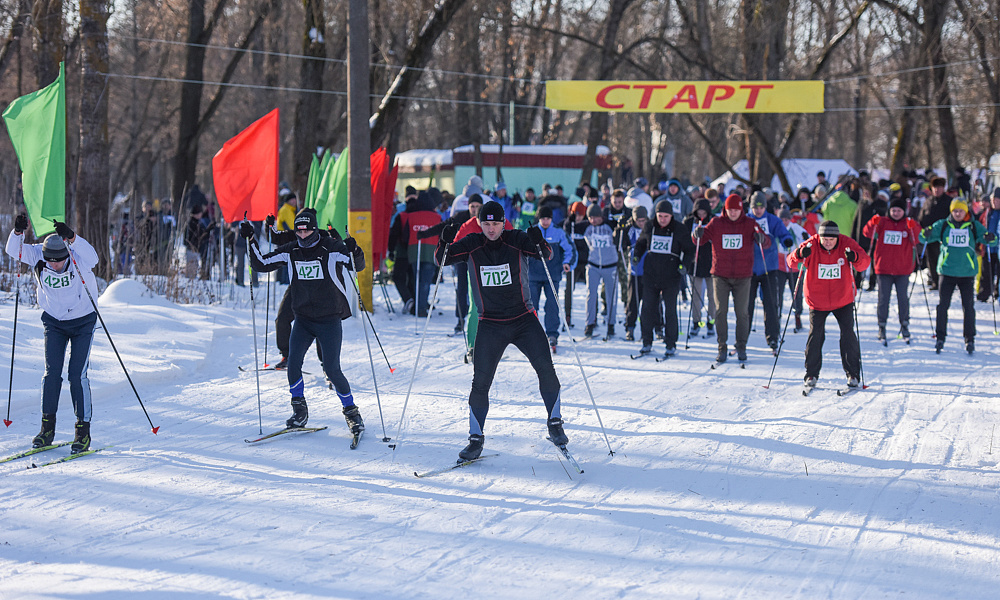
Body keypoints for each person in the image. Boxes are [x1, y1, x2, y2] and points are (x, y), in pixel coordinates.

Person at [435, 200, 566, 461]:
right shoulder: (473, 243)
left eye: (496, 223)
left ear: (504, 222)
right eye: (486, 223)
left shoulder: (516, 238)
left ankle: (555, 423)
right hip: (490, 324)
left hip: (523, 320)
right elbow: (442, 260)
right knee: (480, 382)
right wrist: (444, 241)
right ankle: (475, 439)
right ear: (480, 223)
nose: (491, 229)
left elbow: (546, 255)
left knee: (546, 368)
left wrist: (539, 241)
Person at [244, 209, 367, 436]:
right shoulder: (291, 250)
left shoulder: (330, 248)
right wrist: (250, 239)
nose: (302, 235)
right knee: (293, 364)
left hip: (329, 319)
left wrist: (354, 249)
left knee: (332, 369)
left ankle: (352, 413)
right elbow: (261, 263)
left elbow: (357, 265)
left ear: (314, 228)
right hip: (303, 319)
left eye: (306, 229)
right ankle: (299, 411)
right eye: (298, 230)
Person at [7, 216, 99, 453]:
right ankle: (46, 430)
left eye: (59, 261)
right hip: (54, 322)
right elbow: (13, 251)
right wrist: (18, 232)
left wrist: (73, 237)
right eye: (51, 261)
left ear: (67, 255)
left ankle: (83, 432)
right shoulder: (39, 254)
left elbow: (94, 258)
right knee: (51, 374)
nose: (55, 265)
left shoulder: (76, 254)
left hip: (82, 321)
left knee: (77, 375)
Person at [787, 221, 870, 389]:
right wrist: (800, 253)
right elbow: (791, 262)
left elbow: (865, 263)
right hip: (817, 300)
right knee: (816, 335)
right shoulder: (812, 243)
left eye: (831, 239)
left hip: (843, 298)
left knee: (848, 335)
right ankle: (811, 374)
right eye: (824, 239)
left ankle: (853, 374)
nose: (828, 243)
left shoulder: (846, 243)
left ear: (837, 238)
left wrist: (854, 258)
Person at [693, 194, 770, 364]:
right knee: (720, 312)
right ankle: (722, 347)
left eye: (736, 210)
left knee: (742, 313)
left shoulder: (750, 224)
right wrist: (697, 233)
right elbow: (700, 239)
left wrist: (761, 239)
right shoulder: (717, 223)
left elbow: (767, 241)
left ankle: (741, 346)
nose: (733, 213)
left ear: (741, 209)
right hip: (720, 274)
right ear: (725, 209)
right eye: (730, 210)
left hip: (743, 276)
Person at [919, 198, 997, 353]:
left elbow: (992, 241)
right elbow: (923, 237)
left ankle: (970, 338)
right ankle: (940, 336)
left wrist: (991, 237)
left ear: (966, 211)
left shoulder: (974, 226)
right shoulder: (943, 225)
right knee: (943, 306)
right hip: (947, 272)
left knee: (968, 307)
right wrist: (925, 232)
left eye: (961, 210)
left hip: (966, 273)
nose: (958, 213)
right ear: (951, 211)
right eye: (955, 211)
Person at [633, 200, 694, 355]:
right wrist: (636, 256)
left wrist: (684, 265)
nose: (663, 219)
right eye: (660, 216)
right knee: (647, 309)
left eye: (666, 216)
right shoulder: (649, 226)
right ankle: (647, 341)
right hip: (651, 275)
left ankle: (671, 343)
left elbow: (689, 250)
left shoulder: (679, 229)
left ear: (671, 216)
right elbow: (640, 244)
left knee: (670, 311)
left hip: (671, 276)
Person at [419, 193, 485, 334]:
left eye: (477, 206)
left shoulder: (485, 218)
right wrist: (426, 234)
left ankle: (484, 321)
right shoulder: (461, 217)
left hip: (480, 259)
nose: (474, 209)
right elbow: (443, 226)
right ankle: (460, 320)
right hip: (462, 258)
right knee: (462, 288)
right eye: (472, 206)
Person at [862, 197, 921, 343]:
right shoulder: (883, 222)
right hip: (884, 269)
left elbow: (918, 239)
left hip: (903, 269)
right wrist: (872, 222)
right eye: (893, 210)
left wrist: (913, 226)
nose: (896, 213)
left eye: (899, 210)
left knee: (903, 299)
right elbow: (867, 233)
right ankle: (881, 326)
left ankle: (904, 324)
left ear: (904, 211)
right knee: (883, 299)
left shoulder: (907, 224)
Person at [747, 192, 793, 353]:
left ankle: (773, 337)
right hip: (749, 269)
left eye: (760, 207)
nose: (758, 210)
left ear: (765, 207)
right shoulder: (746, 219)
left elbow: (783, 232)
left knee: (771, 303)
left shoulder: (773, 220)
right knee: (747, 304)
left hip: (770, 267)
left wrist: (787, 239)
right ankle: (742, 337)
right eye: (755, 207)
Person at [527, 205, 575, 351]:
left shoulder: (559, 233)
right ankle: (531, 334)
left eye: (547, 218)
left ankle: (552, 334)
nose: (545, 221)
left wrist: (567, 263)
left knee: (552, 306)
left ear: (551, 219)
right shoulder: (531, 232)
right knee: (531, 306)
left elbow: (570, 250)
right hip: (533, 276)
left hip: (552, 275)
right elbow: (520, 252)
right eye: (542, 218)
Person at [583, 203, 620, 339]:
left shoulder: (609, 227)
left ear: (601, 217)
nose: (593, 220)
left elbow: (619, 232)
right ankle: (590, 323)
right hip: (593, 265)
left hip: (610, 265)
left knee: (611, 296)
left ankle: (611, 324)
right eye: (591, 218)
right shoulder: (587, 229)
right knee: (591, 295)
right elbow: (570, 226)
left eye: (596, 217)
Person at [683, 199, 715, 337]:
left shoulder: (714, 221)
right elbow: (684, 241)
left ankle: (711, 322)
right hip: (694, 263)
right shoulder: (689, 222)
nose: (701, 214)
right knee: (696, 296)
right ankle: (696, 322)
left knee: (712, 296)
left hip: (711, 263)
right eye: (699, 211)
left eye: (704, 211)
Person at [777, 205, 809, 332]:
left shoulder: (795, 228)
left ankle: (797, 316)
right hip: (779, 266)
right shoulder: (777, 227)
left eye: (786, 220)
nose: (784, 222)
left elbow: (807, 239)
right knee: (777, 293)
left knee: (796, 293)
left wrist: (805, 241)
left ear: (790, 219)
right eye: (782, 220)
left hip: (794, 267)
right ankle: (777, 317)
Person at [620, 206, 648, 341]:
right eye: (638, 220)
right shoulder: (629, 230)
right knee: (632, 302)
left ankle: (656, 327)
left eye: (643, 220)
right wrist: (618, 230)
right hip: (635, 270)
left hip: (649, 271)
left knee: (651, 302)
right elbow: (620, 245)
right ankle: (630, 327)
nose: (641, 223)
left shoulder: (650, 228)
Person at [918, 177, 951, 289]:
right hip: (930, 236)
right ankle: (935, 281)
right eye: (935, 188)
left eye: (940, 187)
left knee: (944, 260)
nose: (937, 190)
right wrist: (923, 230)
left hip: (944, 236)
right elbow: (922, 218)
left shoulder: (948, 201)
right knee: (932, 260)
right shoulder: (928, 201)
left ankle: (945, 282)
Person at [564, 201, 589, 327]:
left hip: (585, 261)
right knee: (569, 288)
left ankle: (591, 318)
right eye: (576, 214)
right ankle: (567, 315)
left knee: (590, 290)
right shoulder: (569, 224)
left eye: (580, 215)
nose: (578, 217)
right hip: (573, 262)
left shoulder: (587, 224)